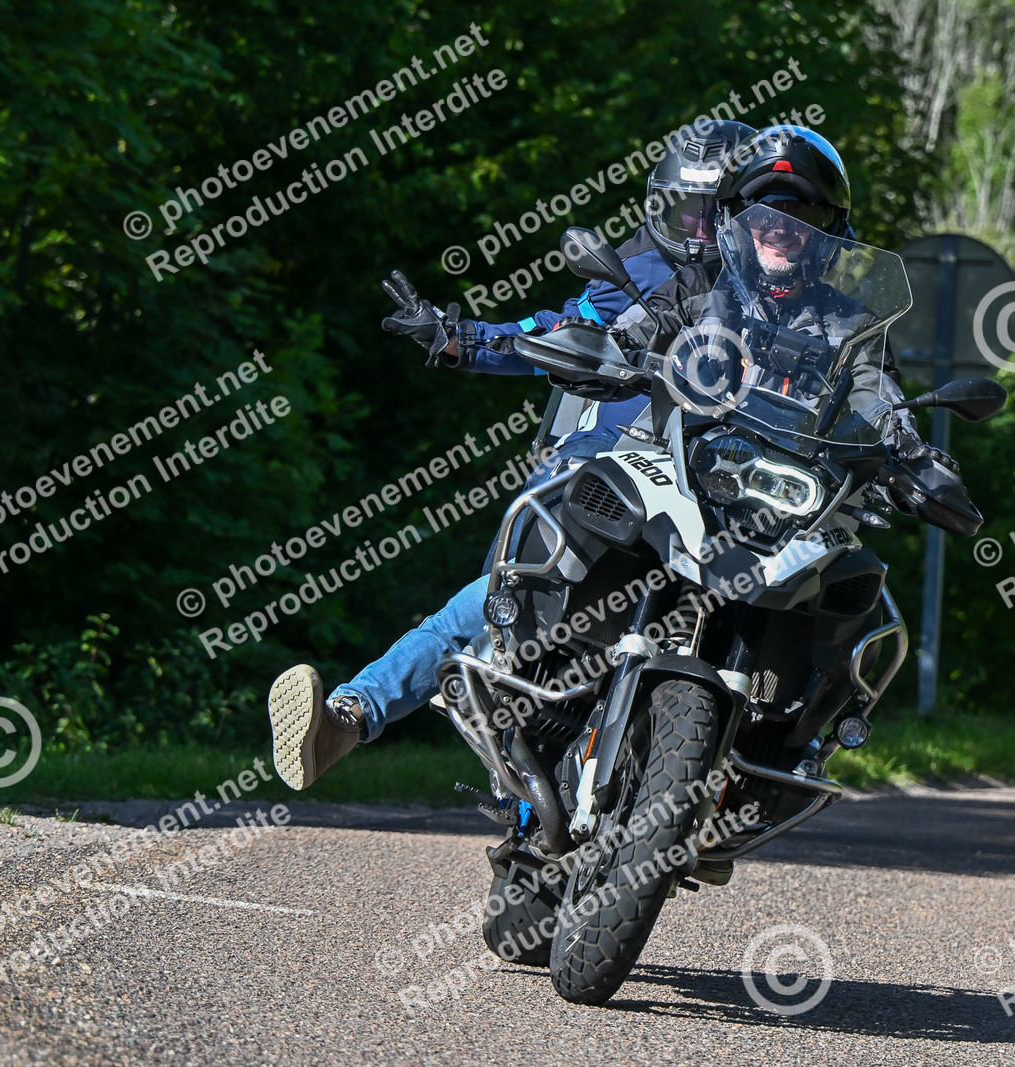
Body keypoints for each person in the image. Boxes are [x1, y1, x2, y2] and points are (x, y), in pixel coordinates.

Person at [265, 119, 754, 790]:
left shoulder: (781, 289)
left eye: (714, 212)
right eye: (684, 211)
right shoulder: (634, 271)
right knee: (505, 588)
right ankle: (352, 717)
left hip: (728, 484)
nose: (698, 231)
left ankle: (754, 760)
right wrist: (457, 337)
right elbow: (554, 328)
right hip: (624, 466)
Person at [619, 124, 938, 463]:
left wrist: (911, 452)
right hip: (676, 463)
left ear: (829, 227)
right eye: (763, 213)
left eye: (800, 212)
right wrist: (600, 347)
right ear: (735, 219)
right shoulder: (696, 289)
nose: (780, 228)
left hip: (796, 483)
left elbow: (878, 401)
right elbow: (630, 333)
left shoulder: (854, 325)